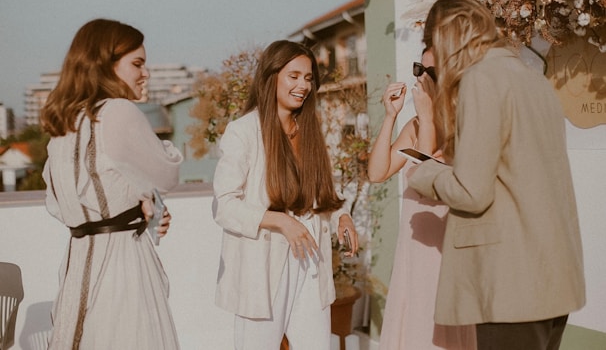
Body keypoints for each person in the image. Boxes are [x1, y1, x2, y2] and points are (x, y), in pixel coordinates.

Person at [408, 0, 586, 350]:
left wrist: (426, 173)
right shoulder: (532, 79)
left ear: (443, 39)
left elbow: (471, 192)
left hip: (510, 284)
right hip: (551, 278)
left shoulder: (481, 79)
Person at [40, 18, 183, 350]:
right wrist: (146, 196)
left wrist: (138, 204)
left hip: (79, 262)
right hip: (121, 265)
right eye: (137, 64)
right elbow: (167, 175)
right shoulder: (118, 111)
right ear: (105, 64)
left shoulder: (65, 122)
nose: (145, 73)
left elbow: (59, 203)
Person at [212, 40, 359, 350]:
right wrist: (280, 221)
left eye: (308, 78)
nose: (302, 85)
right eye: (293, 76)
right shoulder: (243, 131)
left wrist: (341, 215)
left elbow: (325, 190)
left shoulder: (309, 129)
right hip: (262, 264)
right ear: (272, 76)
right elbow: (224, 205)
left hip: (310, 258)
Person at [368, 49, 476, 349]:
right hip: (412, 246)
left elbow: (427, 182)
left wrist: (428, 119)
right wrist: (390, 117)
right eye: (419, 69)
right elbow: (377, 173)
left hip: (443, 248)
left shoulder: (465, 126)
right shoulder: (415, 125)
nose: (421, 78)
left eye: (430, 72)